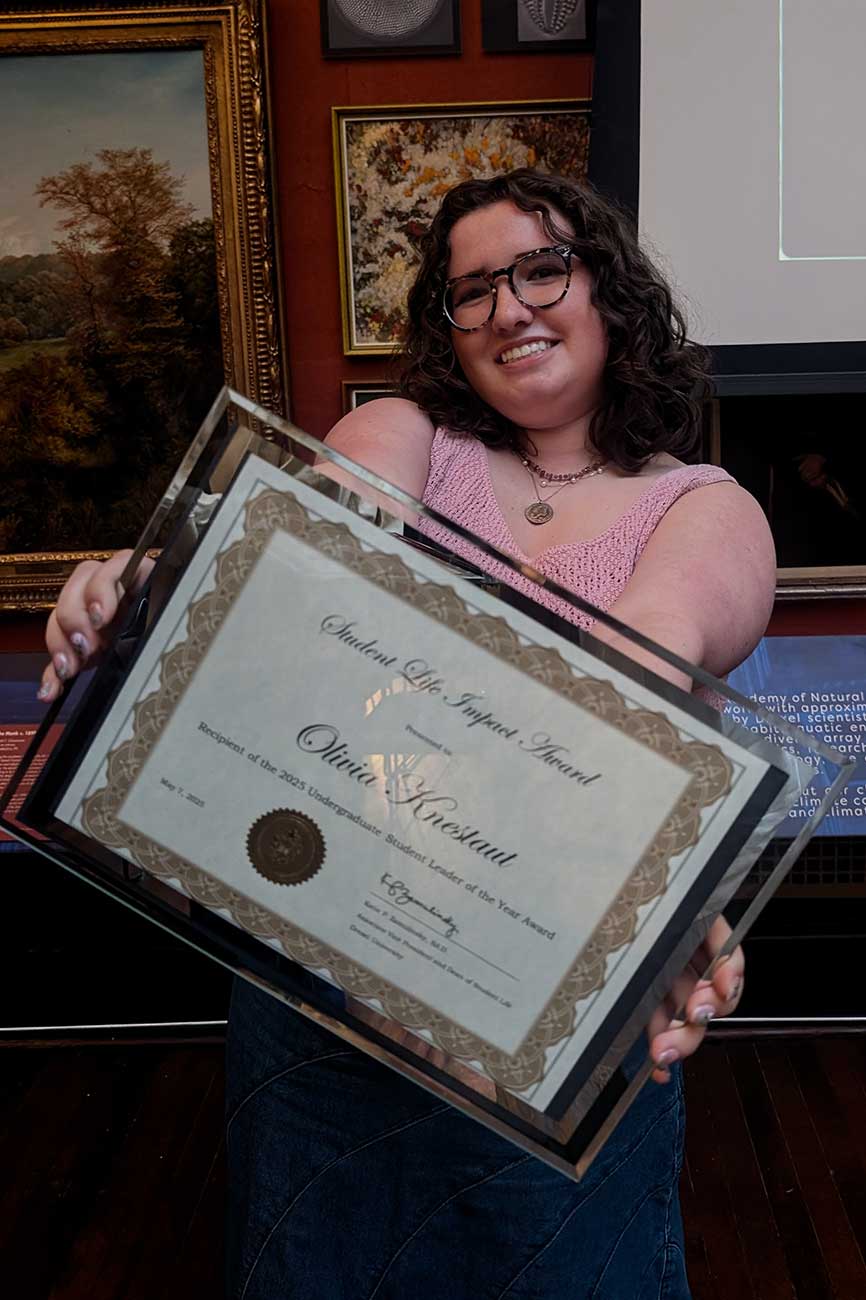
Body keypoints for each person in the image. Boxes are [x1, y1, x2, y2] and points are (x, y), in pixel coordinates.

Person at [39, 169, 776, 1298]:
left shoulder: (704, 508)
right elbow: (304, 542)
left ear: (610, 292)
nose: (508, 309)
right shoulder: (406, 432)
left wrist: (653, 870)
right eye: (470, 290)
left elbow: (642, 658)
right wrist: (156, 592)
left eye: (540, 269)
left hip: (545, 1004)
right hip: (328, 984)